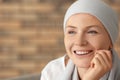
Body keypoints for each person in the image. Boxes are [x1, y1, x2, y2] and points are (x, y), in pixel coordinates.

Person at [40, 0, 120, 80]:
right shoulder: (53, 72)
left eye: (92, 32)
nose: (79, 42)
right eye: (71, 32)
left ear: (111, 40)